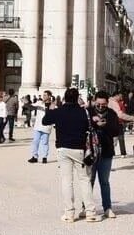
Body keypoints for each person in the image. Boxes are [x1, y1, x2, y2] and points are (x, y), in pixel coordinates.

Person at [42, 87, 99, 223]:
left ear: (64, 98)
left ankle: (69, 213)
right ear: (77, 98)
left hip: (62, 148)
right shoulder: (83, 112)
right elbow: (90, 127)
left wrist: (51, 107)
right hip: (79, 149)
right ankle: (90, 212)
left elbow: (45, 121)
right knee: (84, 180)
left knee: (67, 181)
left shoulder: (58, 111)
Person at [88, 90, 122, 218]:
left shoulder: (112, 114)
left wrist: (105, 125)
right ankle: (86, 207)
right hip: (90, 152)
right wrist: (94, 123)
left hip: (106, 151)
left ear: (107, 103)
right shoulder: (89, 112)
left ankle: (107, 207)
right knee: (89, 181)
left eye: (103, 105)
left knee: (104, 181)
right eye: (98, 104)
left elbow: (116, 131)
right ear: (94, 102)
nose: (101, 107)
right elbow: (82, 126)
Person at [27, 91, 53, 164]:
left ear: (49, 96)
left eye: (45, 95)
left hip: (47, 127)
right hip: (38, 126)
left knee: (45, 143)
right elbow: (31, 107)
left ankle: (44, 157)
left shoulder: (53, 105)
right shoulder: (39, 103)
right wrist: (26, 103)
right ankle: (34, 156)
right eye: (43, 95)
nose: (43, 96)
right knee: (35, 141)